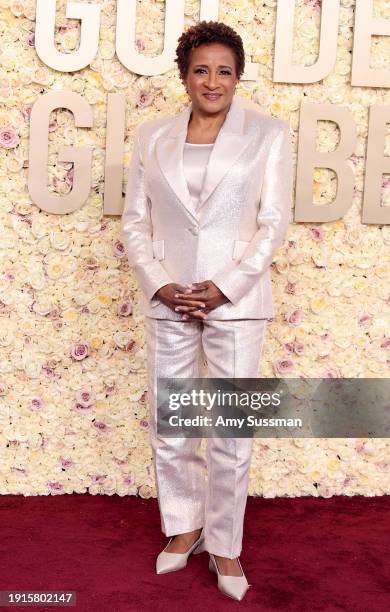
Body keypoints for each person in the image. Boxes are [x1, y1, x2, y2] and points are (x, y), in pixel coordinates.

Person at [120, 20, 293, 602]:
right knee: (174, 425)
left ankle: (225, 545)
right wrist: (162, 285)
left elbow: (272, 226)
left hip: (237, 305)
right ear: (184, 75)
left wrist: (224, 287)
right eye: (201, 69)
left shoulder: (267, 134)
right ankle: (183, 528)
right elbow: (135, 222)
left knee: (232, 432)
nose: (212, 80)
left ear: (238, 76)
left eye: (224, 70)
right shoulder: (152, 136)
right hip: (169, 299)